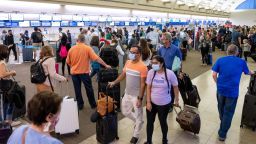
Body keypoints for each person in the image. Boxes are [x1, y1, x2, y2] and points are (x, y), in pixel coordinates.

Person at [212, 44, 254, 141]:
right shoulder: (241, 62)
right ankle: (222, 134)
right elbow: (247, 72)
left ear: (227, 51)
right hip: (232, 91)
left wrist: (218, 84)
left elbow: (214, 74)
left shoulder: (220, 60)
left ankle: (223, 123)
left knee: (220, 107)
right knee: (229, 112)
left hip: (221, 90)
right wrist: (252, 72)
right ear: (237, 52)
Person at [108, 46, 148, 144]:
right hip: (127, 93)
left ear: (139, 54)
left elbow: (143, 84)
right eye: (130, 52)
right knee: (125, 112)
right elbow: (123, 75)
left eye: (134, 52)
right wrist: (114, 82)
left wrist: (140, 98)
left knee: (139, 115)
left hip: (136, 96)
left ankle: (136, 135)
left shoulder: (143, 67)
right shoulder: (128, 62)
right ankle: (138, 122)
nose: (131, 54)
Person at [66, 34, 111, 110]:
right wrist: (105, 65)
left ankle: (80, 105)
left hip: (74, 73)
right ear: (84, 40)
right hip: (84, 73)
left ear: (77, 40)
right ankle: (93, 104)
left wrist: (73, 66)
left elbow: (68, 61)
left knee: (77, 90)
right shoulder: (87, 48)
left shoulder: (71, 49)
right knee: (89, 89)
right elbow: (97, 58)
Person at [144, 55, 180, 144]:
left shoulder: (170, 73)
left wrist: (177, 100)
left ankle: (164, 139)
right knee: (149, 123)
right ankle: (149, 141)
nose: (153, 65)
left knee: (163, 122)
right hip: (151, 103)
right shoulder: (151, 72)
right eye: (152, 63)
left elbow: (175, 87)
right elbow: (148, 87)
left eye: (156, 63)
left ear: (162, 63)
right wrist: (148, 102)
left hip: (164, 104)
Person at [158, 32, 182, 112]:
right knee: (163, 87)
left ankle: (171, 105)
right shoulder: (161, 49)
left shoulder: (175, 49)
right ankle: (163, 102)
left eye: (163, 38)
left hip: (172, 73)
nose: (161, 39)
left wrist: (180, 72)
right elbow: (158, 59)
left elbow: (179, 61)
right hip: (162, 72)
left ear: (168, 39)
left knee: (172, 88)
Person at [0, 44, 21, 126]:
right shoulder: (2, 63)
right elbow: (2, 74)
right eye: (7, 50)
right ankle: (7, 121)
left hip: (3, 85)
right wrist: (12, 72)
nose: (8, 52)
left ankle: (6, 121)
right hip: (5, 85)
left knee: (6, 103)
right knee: (8, 103)